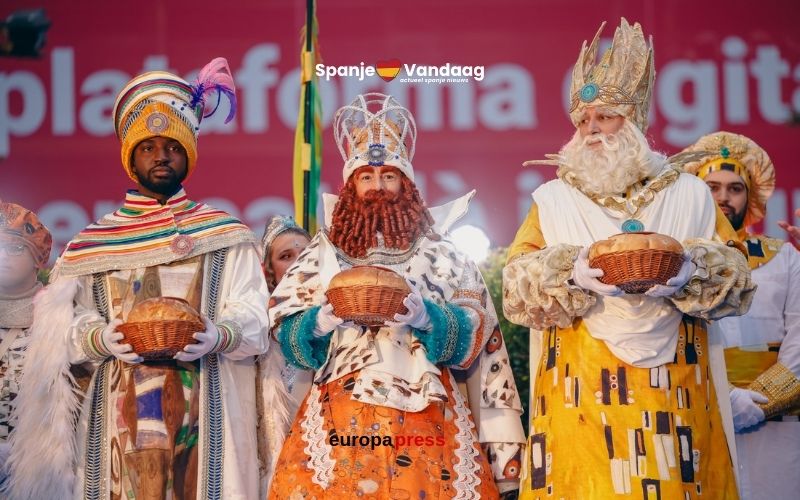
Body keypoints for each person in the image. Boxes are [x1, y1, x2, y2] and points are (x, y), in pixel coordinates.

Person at [503, 19, 755, 499]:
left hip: (675, 384)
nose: (591, 131)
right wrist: (571, 273)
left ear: (634, 120)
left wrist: (691, 270)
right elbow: (516, 287)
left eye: (605, 117)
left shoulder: (691, 193)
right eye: (583, 121)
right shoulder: (554, 198)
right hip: (580, 383)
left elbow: (738, 277)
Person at [5, 58, 269, 499]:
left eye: (172, 146)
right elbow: (58, 332)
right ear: (131, 156)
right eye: (148, 146)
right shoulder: (92, 244)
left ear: (189, 154)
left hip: (208, 411)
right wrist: (98, 338)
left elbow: (254, 315)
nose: (161, 156)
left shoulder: (226, 236)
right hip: (116, 414)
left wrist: (219, 334)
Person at [268, 93, 525, 499]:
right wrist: (320, 321)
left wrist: (429, 319)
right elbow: (286, 332)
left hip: (428, 404)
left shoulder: (441, 253)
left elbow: (478, 332)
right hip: (340, 403)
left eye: (388, 176)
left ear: (406, 184)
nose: (378, 188)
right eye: (367, 178)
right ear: (351, 186)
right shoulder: (323, 253)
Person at [682, 131, 800, 499]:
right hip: (701, 415)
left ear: (750, 196)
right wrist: (725, 398)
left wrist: (762, 403)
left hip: (778, 420)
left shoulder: (784, 256)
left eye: (735, 188)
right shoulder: (677, 261)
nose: (723, 197)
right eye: (712, 187)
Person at [255, 215, 312, 492]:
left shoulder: (345, 316)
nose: (299, 261)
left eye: (307, 252)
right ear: (270, 272)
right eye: (286, 256)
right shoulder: (260, 331)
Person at [0, 201, 51, 483]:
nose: (3, 256)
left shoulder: (65, 316)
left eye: (15, 247)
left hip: (40, 471)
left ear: (37, 256)